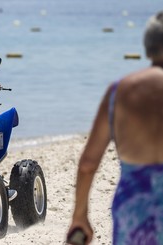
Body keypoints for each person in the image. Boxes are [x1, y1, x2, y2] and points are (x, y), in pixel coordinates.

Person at [67, 11, 163, 245]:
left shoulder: (119, 92)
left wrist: (80, 216)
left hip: (134, 207)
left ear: (148, 47)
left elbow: (89, 163)